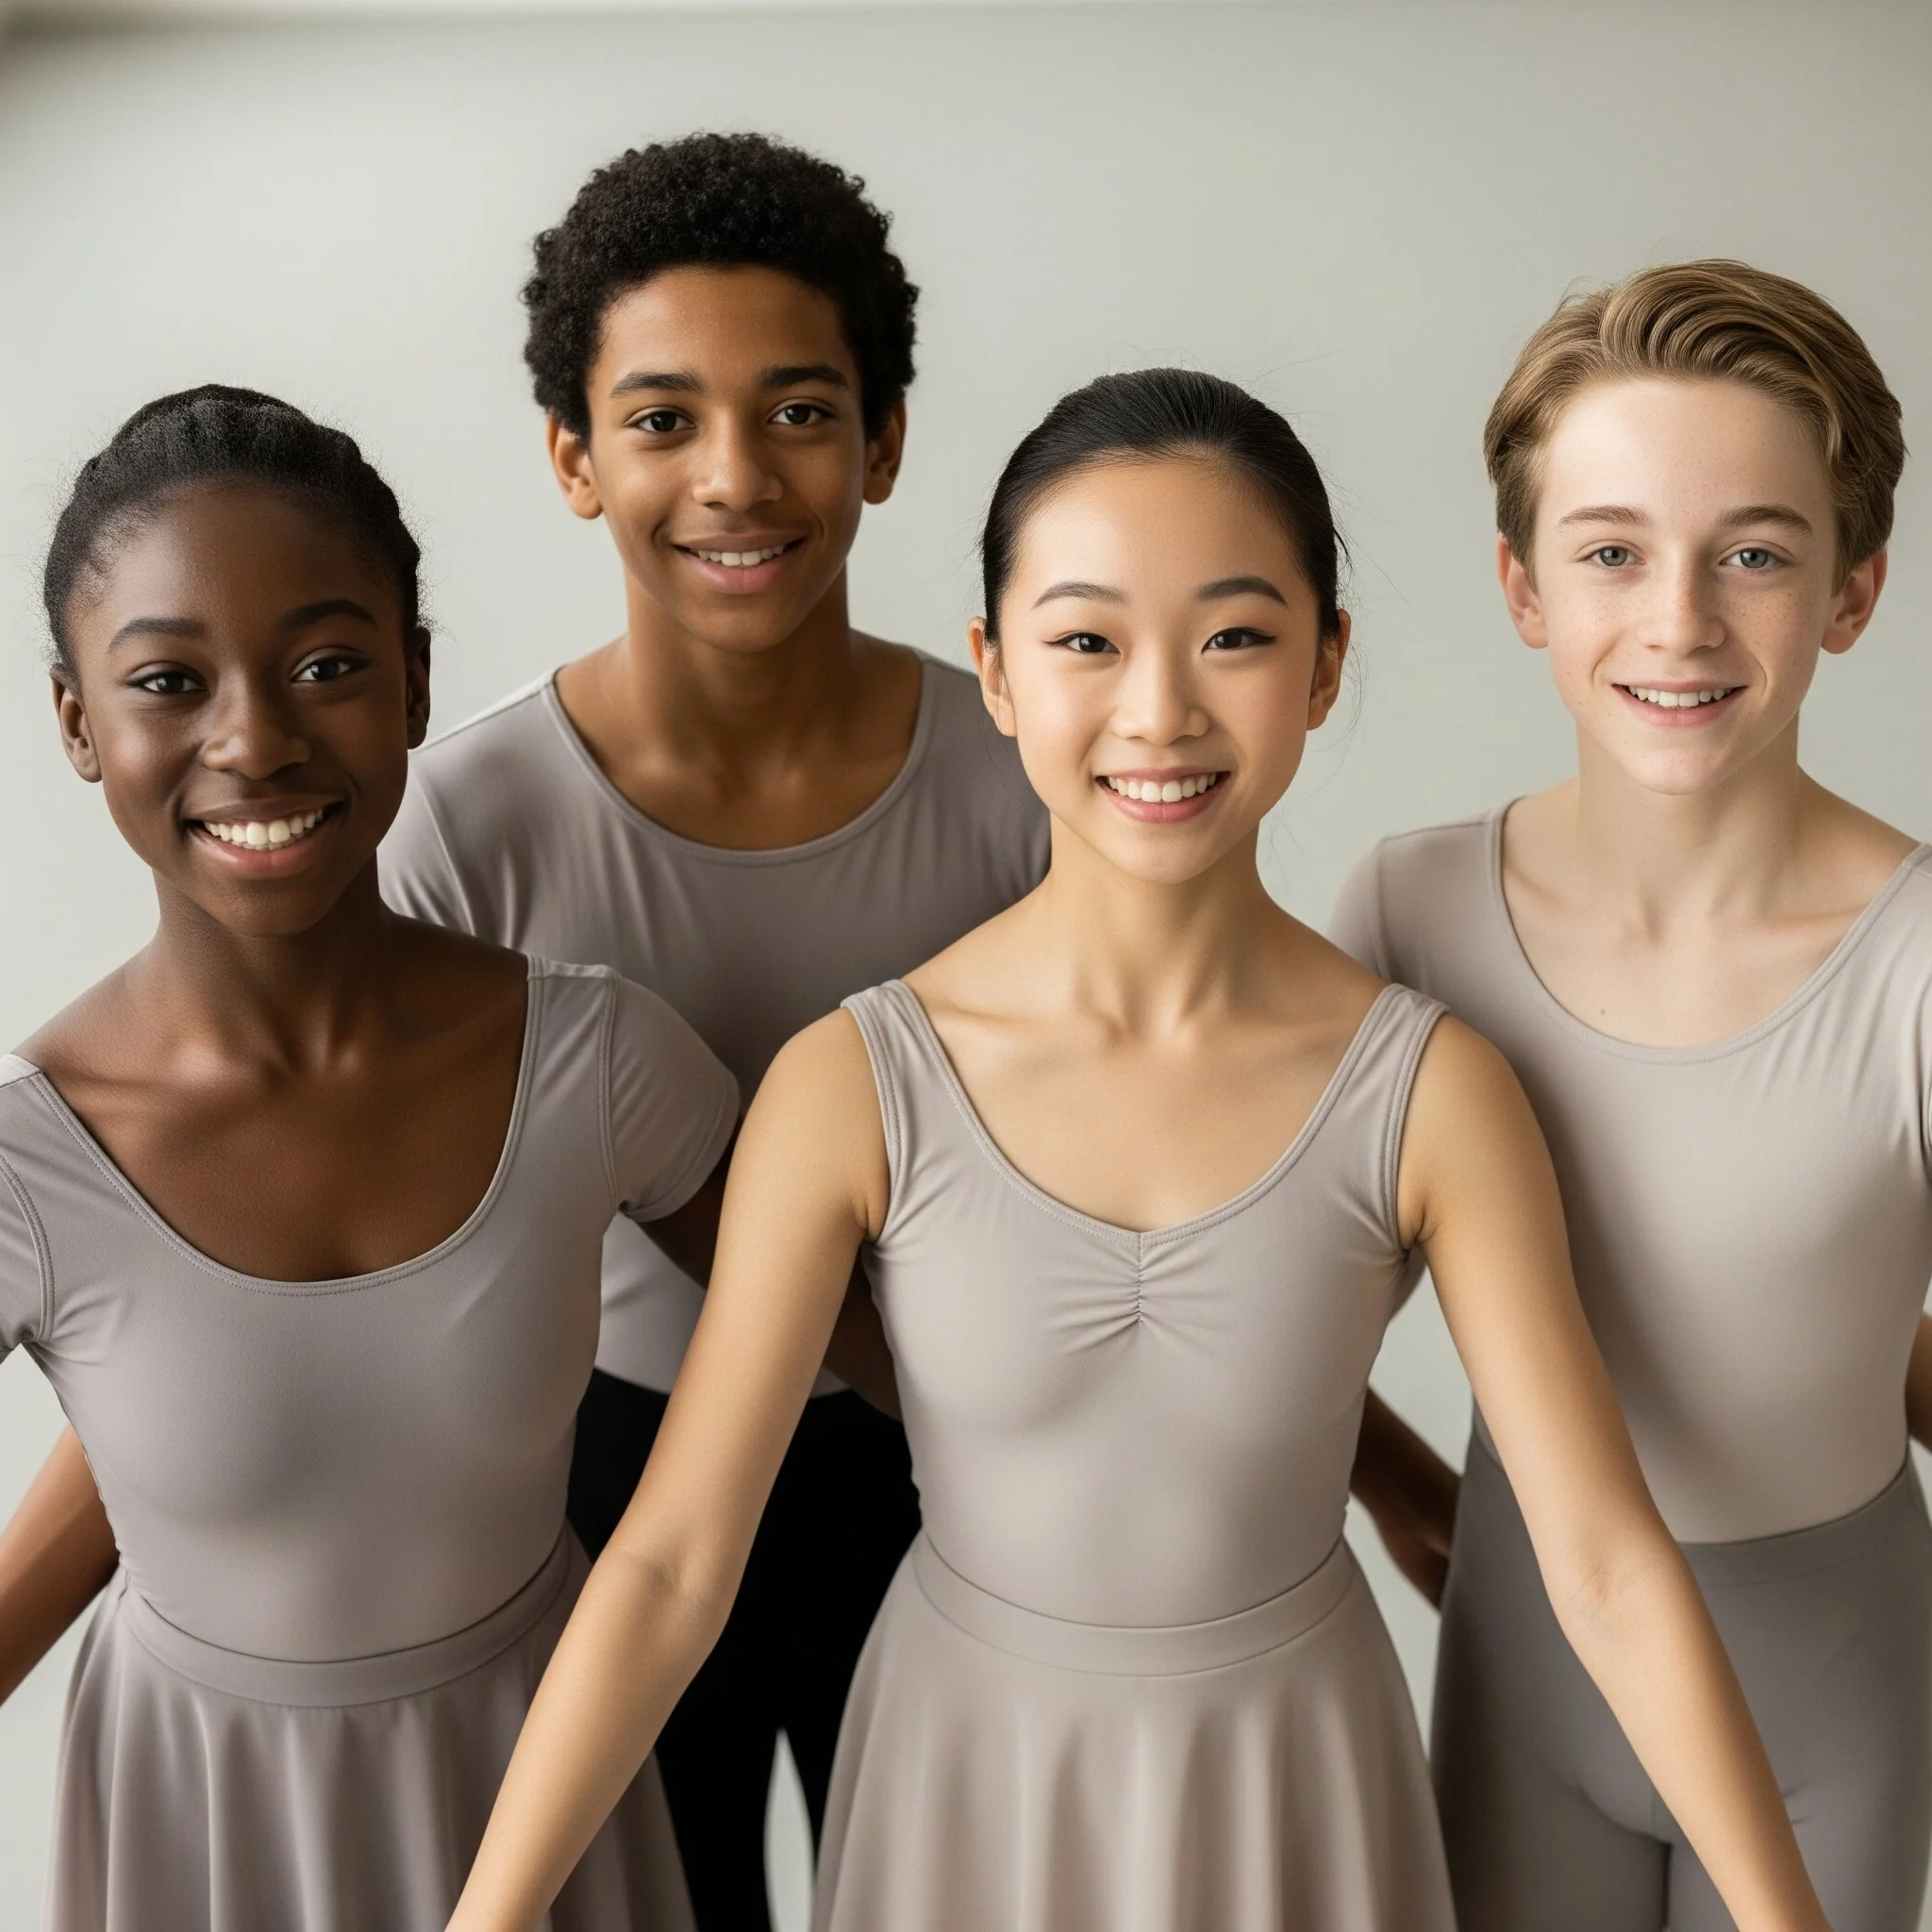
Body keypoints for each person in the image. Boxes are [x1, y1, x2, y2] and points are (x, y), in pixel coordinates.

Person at [445, 368, 1833, 1932]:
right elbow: (670, 1569)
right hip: (966, 1786)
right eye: (1088, 641)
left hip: (1296, 1786)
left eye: (1234, 636)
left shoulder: (1431, 1090)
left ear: (1325, 667)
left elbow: (1604, 1567)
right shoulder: (857, 1082)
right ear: (996, 671)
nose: (1160, 711)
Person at [8, 133, 1047, 1932]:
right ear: (575, 455)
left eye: (797, 408)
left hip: (921, 1429)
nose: (732, 475)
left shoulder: (1020, 781)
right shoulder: (464, 818)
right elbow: (252, 1309)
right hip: (584, 1447)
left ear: (881, 438)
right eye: (660, 418)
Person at [0, 386, 743, 1931]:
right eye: (168, 681)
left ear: (412, 682)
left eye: (327, 666)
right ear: (78, 723)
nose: (256, 740)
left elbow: (915, 1350)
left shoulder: (597, 1061)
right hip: (191, 1822)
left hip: (539, 1788)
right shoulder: (27, 1155)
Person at [1340, 260, 1932, 1931]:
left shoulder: (1918, 962)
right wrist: (1398, 1485)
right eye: (1613, 553)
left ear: (1855, 589)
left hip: (1838, 1690)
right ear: (1526, 587)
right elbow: (1272, 1301)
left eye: (1755, 553)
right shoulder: (1410, 912)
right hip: (1525, 1664)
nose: (1680, 620)